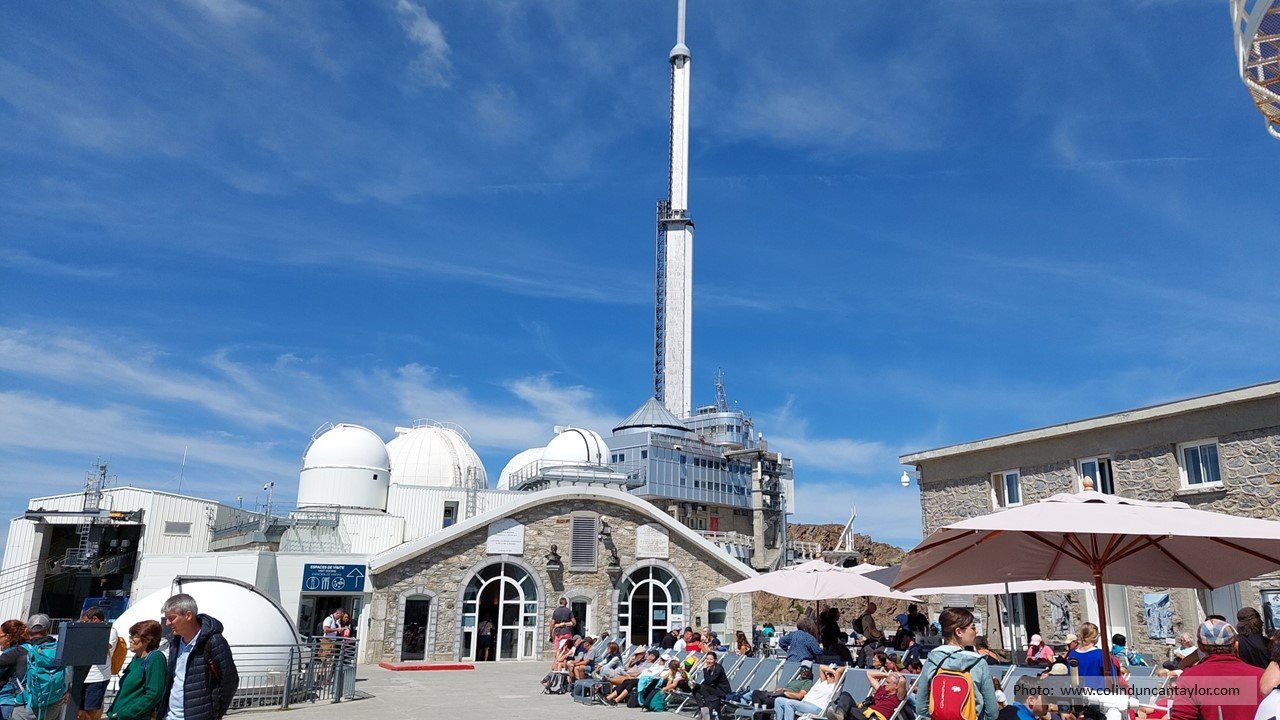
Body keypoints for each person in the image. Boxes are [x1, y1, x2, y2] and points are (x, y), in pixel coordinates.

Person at [159, 594, 238, 720]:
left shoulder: (213, 641)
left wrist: (215, 714)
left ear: (188, 615)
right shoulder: (174, 641)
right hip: (169, 716)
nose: (167, 623)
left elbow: (230, 681)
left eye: (172, 618)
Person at [914, 607, 999, 720]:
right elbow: (992, 711)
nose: (976, 631)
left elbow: (920, 707)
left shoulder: (933, 659)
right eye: (973, 627)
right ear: (959, 632)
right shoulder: (978, 662)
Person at [1168, 619, 1263, 720]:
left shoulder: (1190, 678)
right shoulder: (1261, 676)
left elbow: (1182, 717)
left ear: (1200, 647)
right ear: (1236, 645)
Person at [8, 614, 67, 720]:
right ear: (48, 629)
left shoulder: (21, 651)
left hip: (27, 705)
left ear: (27, 630)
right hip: (53, 702)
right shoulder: (60, 649)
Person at [106, 621, 166, 720]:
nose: (131, 640)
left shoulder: (156, 658)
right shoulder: (136, 659)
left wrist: (126, 713)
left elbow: (154, 694)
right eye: (131, 636)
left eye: (135, 636)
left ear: (148, 639)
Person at [76, 607, 118, 720]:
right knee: (79, 712)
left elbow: (102, 648)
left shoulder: (110, 631)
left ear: (94, 619)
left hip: (97, 677)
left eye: (86, 622)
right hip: (82, 676)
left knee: (91, 711)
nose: (85, 624)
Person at [775, 663, 846, 720]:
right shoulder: (823, 682)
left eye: (830, 675)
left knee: (789, 703)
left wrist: (845, 667)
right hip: (804, 704)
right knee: (778, 700)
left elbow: (839, 671)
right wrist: (832, 671)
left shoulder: (835, 686)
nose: (827, 675)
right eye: (827, 674)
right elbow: (821, 667)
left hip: (816, 708)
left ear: (835, 677)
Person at [1066, 623, 1112, 691]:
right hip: (1098, 694)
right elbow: (1111, 677)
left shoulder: (1072, 654)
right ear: (1095, 638)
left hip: (1078, 694)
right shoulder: (1101, 654)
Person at [0, 620, 30, 720]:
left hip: (7, 702)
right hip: (24, 702)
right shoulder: (27, 649)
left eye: (0, 636)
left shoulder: (11, 653)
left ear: (8, 636)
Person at [688, 651, 731, 720]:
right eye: (707, 659)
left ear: (715, 660)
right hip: (714, 690)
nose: (708, 661)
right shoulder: (710, 669)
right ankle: (702, 708)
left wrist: (704, 669)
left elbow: (708, 682)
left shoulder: (718, 669)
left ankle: (707, 709)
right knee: (694, 688)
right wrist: (695, 685)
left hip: (722, 692)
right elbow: (706, 682)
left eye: (711, 659)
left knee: (704, 687)